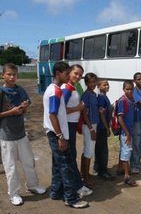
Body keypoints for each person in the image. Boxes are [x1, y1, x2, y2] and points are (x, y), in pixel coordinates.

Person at [43, 61, 88, 208]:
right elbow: (53, 115)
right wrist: (60, 137)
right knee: (66, 166)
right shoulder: (56, 91)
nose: (69, 76)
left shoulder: (53, 89)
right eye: (67, 73)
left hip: (56, 132)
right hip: (57, 134)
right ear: (58, 74)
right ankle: (71, 198)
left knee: (58, 164)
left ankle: (56, 192)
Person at [0, 63, 46, 206]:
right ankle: (13, 193)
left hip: (21, 133)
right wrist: (11, 112)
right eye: (9, 74)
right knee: (10, 166)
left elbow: (25, 110)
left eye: (14, 74)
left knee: (28, 161)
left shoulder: (21, 90)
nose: (12, 77)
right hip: (6, 135)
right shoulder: (1, 92)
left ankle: (32, 185)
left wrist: (24, 107)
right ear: (3, 75)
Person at [61, 64, 93, 197]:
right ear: (69, 72)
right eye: (76, 73)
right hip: (67, 125)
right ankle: (77, 186)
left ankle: (71, 184)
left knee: (70, 155)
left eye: (80, 75)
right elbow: (60, 111)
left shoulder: (73, 87)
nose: (78, 77)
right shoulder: (67, 88)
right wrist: (78, 108)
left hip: (72, 125)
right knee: (70, 155)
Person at [116, 80, 138, 187]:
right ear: (123, 89)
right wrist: (127, 133)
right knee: (126, 152)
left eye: (131, 89)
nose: (129, 91)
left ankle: (120, 168)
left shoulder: (131, 100)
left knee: (124, 150)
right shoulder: (122, 101)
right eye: (127, 89)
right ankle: (127, 176)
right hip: (126, 132)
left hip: (129, 130)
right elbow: (120, 119)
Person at [94, 78, 115, 181]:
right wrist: (107, 128)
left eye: (107, 85)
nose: (106, 87)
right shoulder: (101, 98)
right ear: (98, 87)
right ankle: (103, 171)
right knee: (103, 150)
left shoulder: (104, 97)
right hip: (101, 127)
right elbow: (102, 114)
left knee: (99, 148)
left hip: (101, 126)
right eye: (104, 85)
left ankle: (97, 167)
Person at [81, 73, 99, 188]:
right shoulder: (86, 95)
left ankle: (84, 173)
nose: (92, 84)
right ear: (86, 83)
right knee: (88, 152)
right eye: (90, 82)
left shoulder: (94, 94)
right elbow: (84, 113)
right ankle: (86, 179)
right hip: (89, 126)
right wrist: (91, 129)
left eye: (94, 82)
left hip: (94, 124)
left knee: (87, 150)